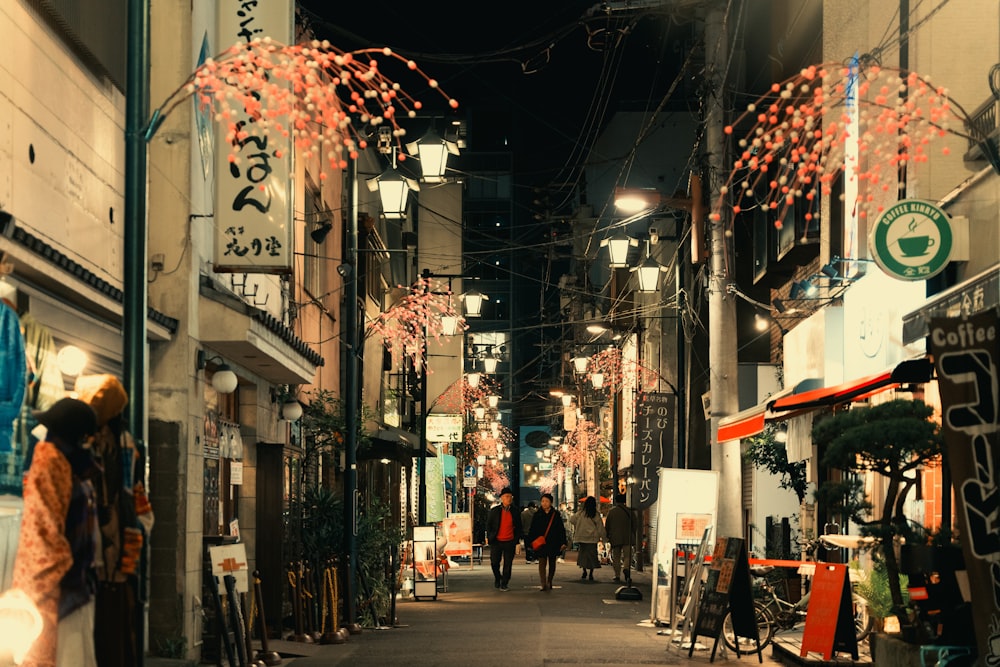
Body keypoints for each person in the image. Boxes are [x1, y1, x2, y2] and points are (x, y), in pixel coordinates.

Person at [12, 397, 100, 667]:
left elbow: (41, 533)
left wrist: (27, 592)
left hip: (56, 592)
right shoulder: (80, 468)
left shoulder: (48, 460)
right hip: (80, 586)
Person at [526, 493, 567, 591]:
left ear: (551, 503)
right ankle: (543, 583)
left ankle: (550, 581)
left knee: (552, 562)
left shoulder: (555, 514)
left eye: (547, 501)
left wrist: (563, 542)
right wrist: (531, 541)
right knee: (542, 562)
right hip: (541, 542)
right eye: (543, 501)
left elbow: (561, 529)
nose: (544, 503)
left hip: (553, 542)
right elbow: (532, 529)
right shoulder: (537, 514)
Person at [486, 487, 522, 591]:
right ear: (501, 498)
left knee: (508, 564)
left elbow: (519, 527)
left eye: (510, 497)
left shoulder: (515, 512)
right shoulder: (495, 511)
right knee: (494, 563)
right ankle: (498, 578)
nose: (509, 499)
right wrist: (489, 536)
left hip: (510, 541)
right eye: (506, 497)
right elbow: (489, 525)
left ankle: (504, 583)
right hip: (496, 541)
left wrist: (517, 540)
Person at [570, 496, 606, 581]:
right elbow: (600, 527)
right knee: (592, 556)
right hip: (592, 538)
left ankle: (584, 570)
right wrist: (604, 538)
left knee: (583, 555)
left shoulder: (580, 513)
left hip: (582, 538)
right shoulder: (595, 514)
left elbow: (572, 520)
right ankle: (591, 573)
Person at [604, 493, 633, 583]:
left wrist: (607, 535)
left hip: (615, 537)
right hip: (627, 537)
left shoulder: (612, 512)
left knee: (616, 557)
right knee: (627, 556)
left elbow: (607, 525)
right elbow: (635, 524)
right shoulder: (629, 511)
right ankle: (626, 568)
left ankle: (617, 575)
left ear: (616, 501)